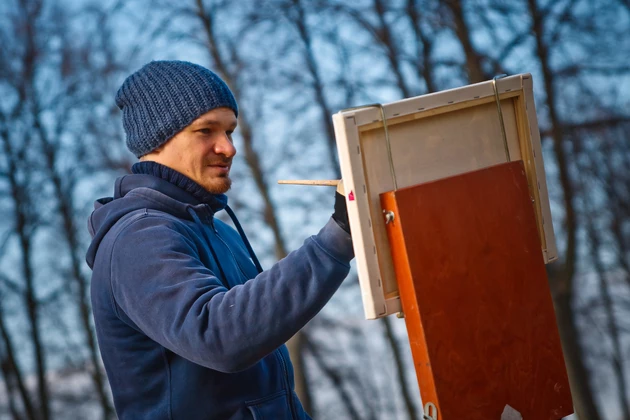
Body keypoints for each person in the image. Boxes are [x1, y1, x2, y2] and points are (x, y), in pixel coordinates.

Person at [85, 60, 354, 420]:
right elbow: (219, 336)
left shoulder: (218, 230)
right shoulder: (137, 237)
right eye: (206, 131)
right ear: (157, 139)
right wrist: (337, 237)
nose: (228, 148)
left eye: (230, 131)